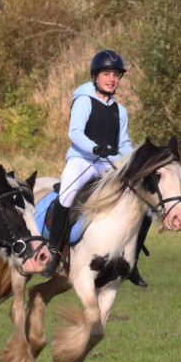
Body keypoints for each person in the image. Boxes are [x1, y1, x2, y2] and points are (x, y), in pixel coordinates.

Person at [46, 49, 151, 287]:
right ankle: (53, 251)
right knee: (67, 194)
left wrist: (133, 158)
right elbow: (75, 133)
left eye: (116, 75)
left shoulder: (120, 110)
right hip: (82, 160)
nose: (112, 79)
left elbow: (123, 142)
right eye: (107, 74)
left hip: (108, 165)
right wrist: (95, 149)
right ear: (95, 76)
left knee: (141, 204)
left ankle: (131, 261)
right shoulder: (83, 100)